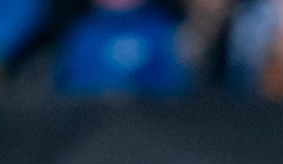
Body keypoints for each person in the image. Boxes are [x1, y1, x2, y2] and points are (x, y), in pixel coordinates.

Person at [55, 0, 190, 96]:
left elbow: (175, 88)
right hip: (89, 126)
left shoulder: (163, 31)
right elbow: (66, 88)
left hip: (150, 126)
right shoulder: (80, 34)